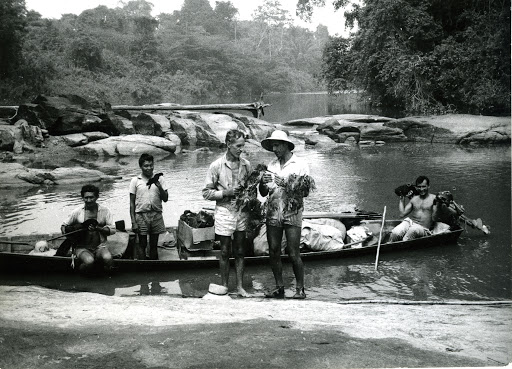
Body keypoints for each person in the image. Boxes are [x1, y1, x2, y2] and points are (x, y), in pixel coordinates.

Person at [259, 130, 310, 299]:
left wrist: (287, 184)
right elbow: (263, 192)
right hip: (273, 209)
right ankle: (279, 287)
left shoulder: (300, 164)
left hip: (292, 211)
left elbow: (305, 192)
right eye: (272, 145)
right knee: (273, 250)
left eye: (277, 145)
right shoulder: (271, 165)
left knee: (293, 251)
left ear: (286, 145)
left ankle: (300, 289)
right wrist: (263, 183)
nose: (274, 149)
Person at [202, 129, 251, 297]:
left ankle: (239, 287)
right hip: (224, 211)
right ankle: (224, 286)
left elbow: (251, 189)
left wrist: (250, 200)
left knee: (240, 250)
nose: (240, 149)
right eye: (238, 146)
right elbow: (206, 193)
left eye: (242, 146)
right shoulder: (216, 166)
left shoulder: (246, 165)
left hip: (241, 212)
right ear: (228, 145)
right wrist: (226, 193)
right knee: (224, 251)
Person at [61, 184, 116, 273]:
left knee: (108, 258)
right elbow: (63, 226)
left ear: (97, 197)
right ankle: (81, 274)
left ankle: (107, 281)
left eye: (91, 197)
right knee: (89, 262)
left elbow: (113, 230)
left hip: (100, 246)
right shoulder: (77, 212)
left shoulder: (105, 211)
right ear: (82, 197)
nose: (88, 200)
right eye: (86, 198)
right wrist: (71, 235)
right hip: (82, 247)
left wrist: (98, 228)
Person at [129, 153, 169, 260]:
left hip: (156, 215)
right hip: (141, 215)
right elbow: (132, 202)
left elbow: (165, 199)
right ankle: (143, 267)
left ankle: (153, 268)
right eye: (146, 166)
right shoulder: (135, 181)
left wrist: (159, 187)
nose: (149, 168)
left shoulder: (160, 179)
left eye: (151, 165)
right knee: (142, 243)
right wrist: (133, 221)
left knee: (154, 244)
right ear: (141, 167)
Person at [389, 176, 451, 242]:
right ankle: (389, 245)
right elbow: (402, 214)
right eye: (419, 187)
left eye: (424, 186)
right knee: (395, 232)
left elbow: (435, 218)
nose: (421, 189)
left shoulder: (434, 199)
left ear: (428, 186)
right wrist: (401, 200)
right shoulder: (414, 199)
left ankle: (402, 246)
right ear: (416, 187)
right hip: (411, 223)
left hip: (423, 228)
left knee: (412, 231)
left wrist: (437, 205)